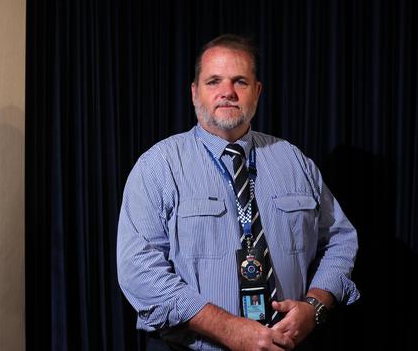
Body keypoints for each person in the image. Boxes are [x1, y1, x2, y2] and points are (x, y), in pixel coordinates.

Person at [117, 34, 359, 351]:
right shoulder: (159, 166)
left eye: (240, 82)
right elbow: (139, 269)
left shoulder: (294, 161)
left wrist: (315, 306)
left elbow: (341, 239)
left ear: (257, 91)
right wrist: (228, 329)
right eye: (214, 81)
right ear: (194, 93)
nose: (227, 92)